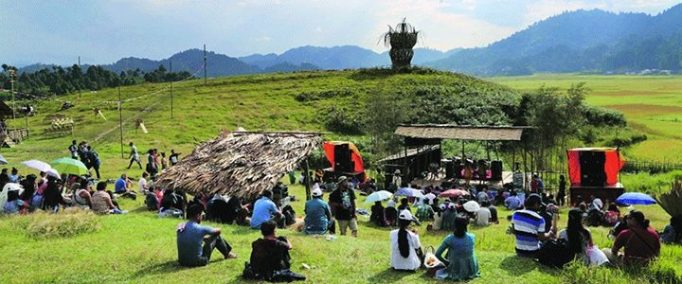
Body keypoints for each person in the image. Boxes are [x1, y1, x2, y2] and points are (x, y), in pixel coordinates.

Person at [435, 215, 480, 281]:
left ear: (454, 225)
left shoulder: (449, 239)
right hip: (471, 269)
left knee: (451, 250)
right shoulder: (472, 237)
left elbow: (437, 254)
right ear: (466, 225)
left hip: (456, 270)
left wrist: (446, 262)